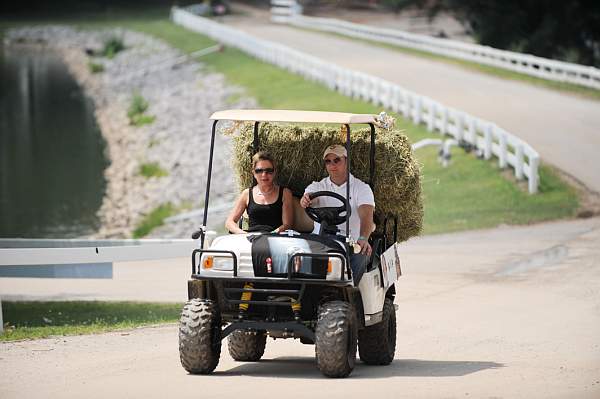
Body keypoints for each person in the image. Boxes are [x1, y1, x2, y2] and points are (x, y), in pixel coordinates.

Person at [300, 144, 375, 284]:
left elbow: (366, 215)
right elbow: (307, 196)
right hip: (320, 238)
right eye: (328, 161)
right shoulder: (318, 186)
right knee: (296, 253)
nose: (332, 165)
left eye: (337, 160)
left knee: (361, 254)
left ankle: (349, 290)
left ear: (346, 161)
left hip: (350, 240)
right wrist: (306, 200)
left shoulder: (361, 188)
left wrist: (363, 237)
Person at [226, 151, 293, 234]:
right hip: (251, 239)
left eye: (269, 170)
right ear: (253, 173)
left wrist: (272, 234)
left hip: (275, 238)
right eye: (259, 171)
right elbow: (230, 222)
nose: (264, 174)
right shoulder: (246, 194)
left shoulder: (285, 193)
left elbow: (287, 224)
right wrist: (243, 234)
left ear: (274, 172)